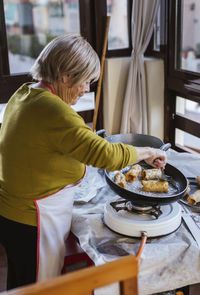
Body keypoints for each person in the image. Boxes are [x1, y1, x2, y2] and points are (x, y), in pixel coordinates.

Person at [0, 33, 166, 290]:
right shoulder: (53, 110)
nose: (87, 89)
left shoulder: (25, 94)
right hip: (32, 218)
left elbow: (54, 146)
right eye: (85, 81)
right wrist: (146, 152)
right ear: (66, 76)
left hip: (12, 212)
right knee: (38, 288)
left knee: (21, 283)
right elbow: (107, 155)